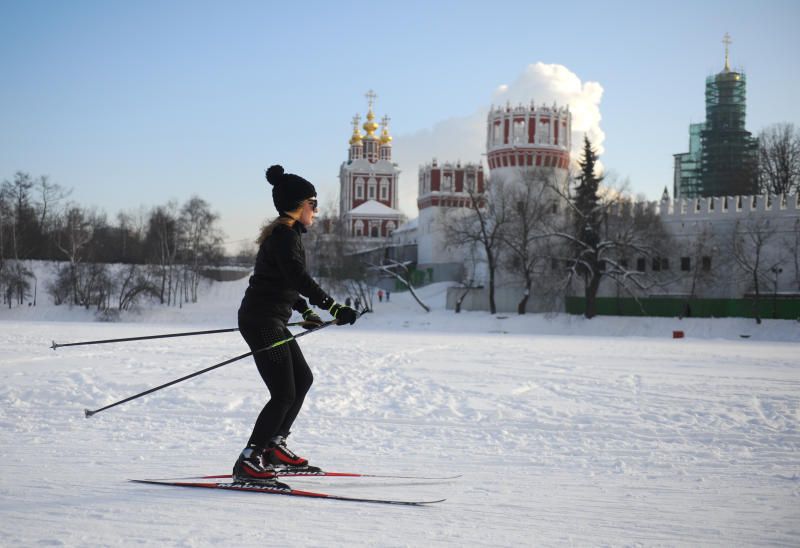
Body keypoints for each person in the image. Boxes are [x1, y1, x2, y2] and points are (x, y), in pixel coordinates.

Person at [233, 164, 358, 485]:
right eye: (313, 204)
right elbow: (298, 278)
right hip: (262, 321)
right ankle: (249, 459)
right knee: (283, 392)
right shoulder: (285, 237)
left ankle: (274, 448)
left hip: (270, 318)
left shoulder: (284, 236)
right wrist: (332, 306)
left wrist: (304, 309)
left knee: (302, 380)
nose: (316, 211)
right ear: (298, 206)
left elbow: (283, 281)